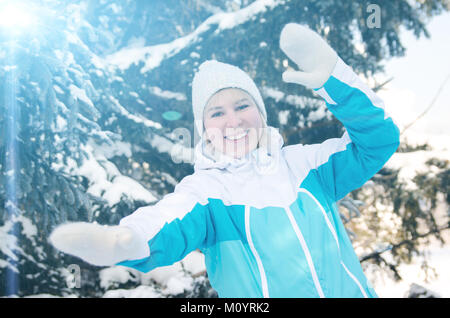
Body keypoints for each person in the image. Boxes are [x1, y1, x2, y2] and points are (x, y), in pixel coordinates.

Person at [49, 23, 400, 298]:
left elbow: (378, 142)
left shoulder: (307, 166)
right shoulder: (206, 194)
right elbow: (165, 224)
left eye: (243, 106)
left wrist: (335, 79)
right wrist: (126, 240)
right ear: (203, 129)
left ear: (260, 111)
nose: (233, 122)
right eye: (216, 112)